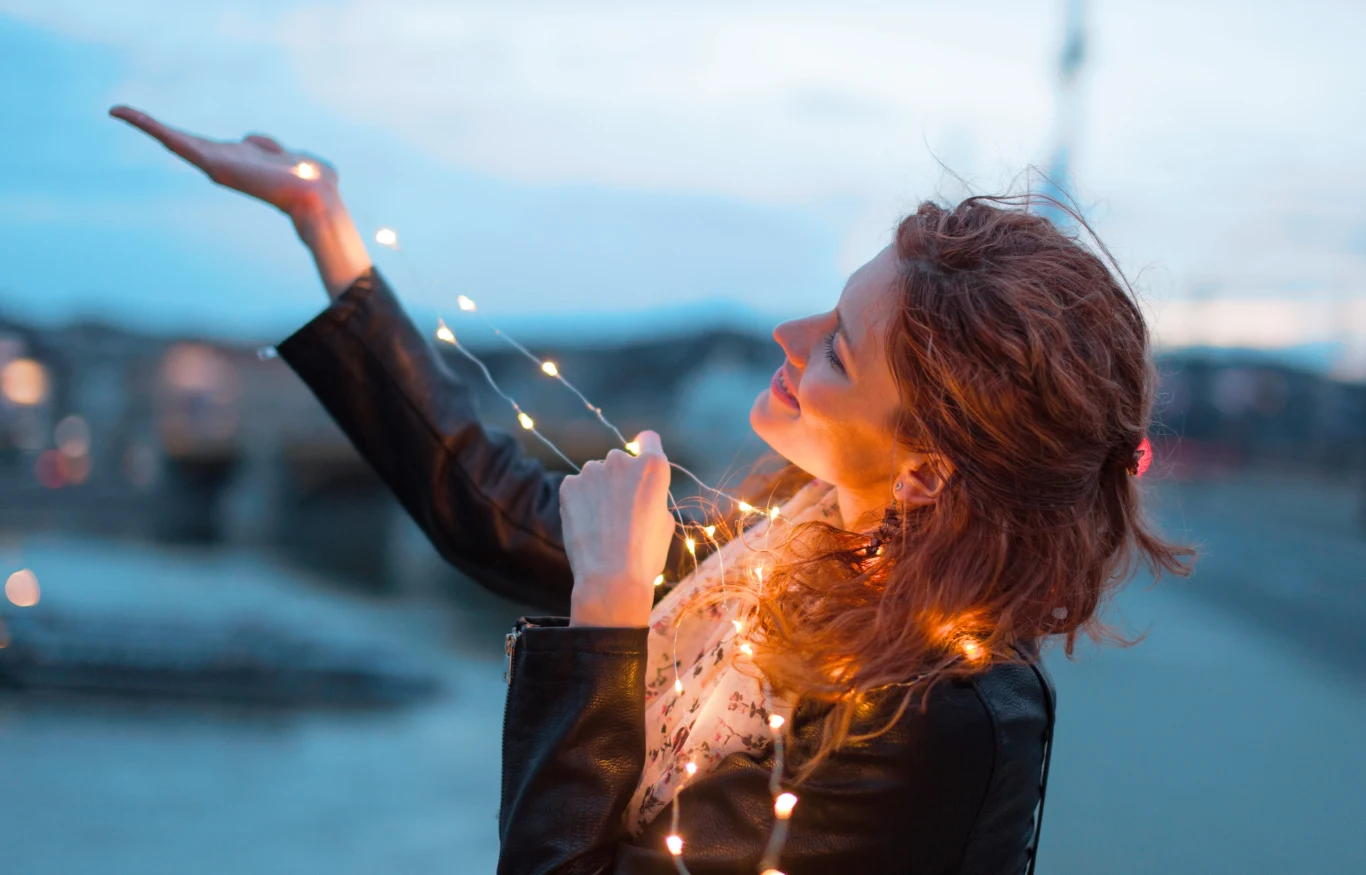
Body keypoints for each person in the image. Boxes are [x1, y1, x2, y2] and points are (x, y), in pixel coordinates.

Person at [109, 106, 1193, 875]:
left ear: (921, 472)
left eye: (839, 352)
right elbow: (486, 505)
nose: (789, 337)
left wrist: (608, 622)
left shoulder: (940, 724)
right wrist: (324, 223)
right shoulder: (790, 552)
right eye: (827, 309)